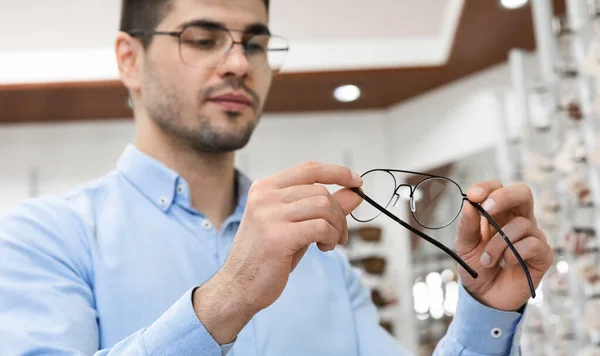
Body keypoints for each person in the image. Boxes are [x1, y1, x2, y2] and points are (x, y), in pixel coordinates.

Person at [0, 0, 554, 355]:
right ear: (129, 58)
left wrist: (488, 311)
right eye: (202, 38)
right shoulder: (43, 238)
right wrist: (226, 300)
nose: (239, 63)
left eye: (257, 44)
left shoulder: (323, 263)